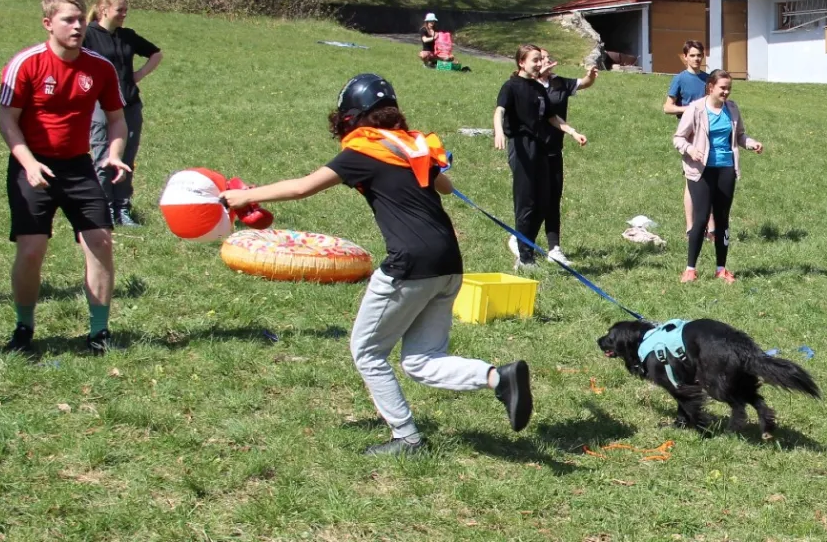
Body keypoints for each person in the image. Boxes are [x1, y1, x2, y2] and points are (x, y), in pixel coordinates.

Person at [219, 73, 533, 456]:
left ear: (352, 117)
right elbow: (446, 187)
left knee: (367, 352)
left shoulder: (363, 151)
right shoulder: (411, 146)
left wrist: (244, 195)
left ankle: (407, 438)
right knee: (421, 360)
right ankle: (497, 377)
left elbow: (303, 187)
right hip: (449, 263)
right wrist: (430, 171)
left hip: (410, 264)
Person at [0, 0, 131, 355]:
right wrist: (28, 162)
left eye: (80, 20)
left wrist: (114, 154)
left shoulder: (99, 67)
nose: (77, 26)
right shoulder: (26, 64)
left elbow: (118, 120)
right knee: (31, 250)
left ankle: (99, 332)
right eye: (68, 20)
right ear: (48, 24)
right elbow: (7, 120)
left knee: (101, 243)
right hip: (32, 164)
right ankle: (24, 327)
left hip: (79, 166)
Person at [494, 44, 586, 269]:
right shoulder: (511, 86)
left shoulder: (538, 87)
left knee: (544, 201)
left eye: (540, 60)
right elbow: (500, 111)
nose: (539, 64)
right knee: (527, 202)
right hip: (522, 147)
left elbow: (551, 117)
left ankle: (525, 247)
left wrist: (572, 132)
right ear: (521, 62)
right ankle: (525, 257)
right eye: (535, 60)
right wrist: (498, 130)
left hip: (542, 147)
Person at [672, 70, 763, 284]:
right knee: (701, 219)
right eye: (722, 87)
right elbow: (678, 138)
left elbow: (740, 135)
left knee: (722, 221)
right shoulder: (696, 109)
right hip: (701, 171)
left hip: (726, 169)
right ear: (710, 87)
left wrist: (751, 143)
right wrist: (690, 150)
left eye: (729, 88)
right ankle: (690, 269)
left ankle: (721, 269)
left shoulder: (732, 109)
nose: (726, 92)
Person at [83, 0, 162, 227]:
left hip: (129, 104)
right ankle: (104, 208)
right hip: (99, 105)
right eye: (120, 10)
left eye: (126, 10)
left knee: (127, 158)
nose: (124, 14)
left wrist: (138, 75)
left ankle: (122, 208)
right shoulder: (87, 35)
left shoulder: (127, 36)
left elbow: (156, 54)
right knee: (103, 158)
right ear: (104, 9)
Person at [536, 49, 598, 263]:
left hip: (554, 149)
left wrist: (590, 75)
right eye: (539, 58)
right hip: (532, 152)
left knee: (553, 200)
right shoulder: (524, 85)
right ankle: (523, 244)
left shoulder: (559, 83)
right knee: (534, 201)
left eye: (545, 57)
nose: (544, 61)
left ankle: (554, 249)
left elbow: (583, 83)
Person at [662, 40, 713, 240]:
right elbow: (667, 107)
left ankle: (710, 229)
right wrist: (690, 109)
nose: (696, 58)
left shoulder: (709, 79)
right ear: (685, 57)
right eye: (692, 55)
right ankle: (691, 228)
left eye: (699, 55)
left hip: (708, 133)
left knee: (710, 179)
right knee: (691, 180)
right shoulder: (680, 79)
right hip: (690, 134)